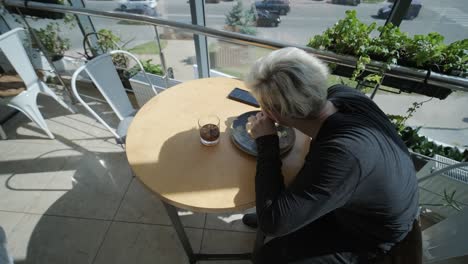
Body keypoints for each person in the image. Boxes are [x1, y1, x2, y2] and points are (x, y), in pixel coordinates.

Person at [243, 47, 419, 263]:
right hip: (370, 202)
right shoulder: (345, 95)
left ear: (274, 113)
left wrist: (266, 141)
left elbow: (274, 223)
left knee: (267, 257)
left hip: (369, 235)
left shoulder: (343, 154)